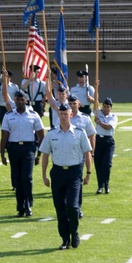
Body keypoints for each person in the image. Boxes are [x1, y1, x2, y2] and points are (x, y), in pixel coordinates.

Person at [40, 103, 93, 250]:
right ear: (58, 115)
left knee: (73, 206)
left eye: (66, 114)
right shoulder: (51, 134)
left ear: (71, 115)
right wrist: (44, 175)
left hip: (74, 173)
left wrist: (88, 173)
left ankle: (74, 232)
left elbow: (87, 153)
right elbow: (45, 155)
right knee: (60, 207)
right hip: (57, 173)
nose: (63, 116)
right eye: (61, 114)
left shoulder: (79, 133)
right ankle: (64, 239)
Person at [0, 91, 45, 217]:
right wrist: (2, 154)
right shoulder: (8, 116)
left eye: (21, 99)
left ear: (26, 100)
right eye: (17, 99)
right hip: (14, 149)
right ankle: (20, 207)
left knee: (27, 178)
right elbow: (4, 136)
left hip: (28, 148)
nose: (19, 101)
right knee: (17, 179)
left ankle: (28, 205)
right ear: (14, 100)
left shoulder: (34, 115)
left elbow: (41, 135)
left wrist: (39, 154)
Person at [93, 97, 117, 194]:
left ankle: (106, 184)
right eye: (104, 106)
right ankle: (100, 186)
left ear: (111, 108)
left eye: (108, 107)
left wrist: (99, 122)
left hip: (108, 141)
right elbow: (95, 102)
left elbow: (108, 127)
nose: (105, 109)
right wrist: (96, 86)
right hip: (98, 140)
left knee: (106, 164)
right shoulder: (98, 113)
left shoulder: (113, 117)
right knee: (98, 164)